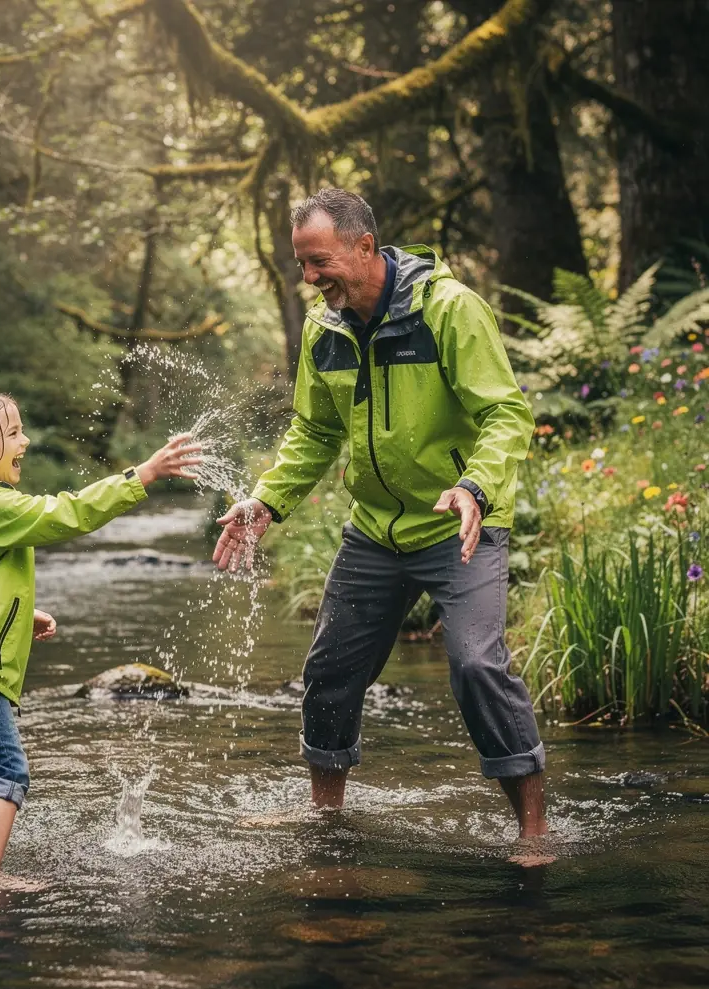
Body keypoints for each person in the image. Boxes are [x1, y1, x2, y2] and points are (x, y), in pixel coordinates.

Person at [214, 188, 549, 847]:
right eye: (302, 265)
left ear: (364, 248)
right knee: (329, 671)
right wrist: (266, 502)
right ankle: (326, 815)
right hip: (373, 530)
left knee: (478, 665)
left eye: (320, 262)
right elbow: (313, 434)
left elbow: (507, 414)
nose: (309, 279)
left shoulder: (448, 311)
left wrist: (474, 487)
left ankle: (534, 831)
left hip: (460, 525)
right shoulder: (326, 330)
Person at [0, 387, 200, 881]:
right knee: (6, 771)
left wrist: (22, 613)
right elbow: (66, 514)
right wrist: (142, 475)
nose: (25, 441)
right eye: (13, 433)